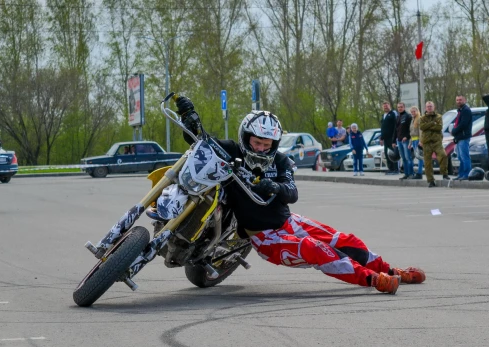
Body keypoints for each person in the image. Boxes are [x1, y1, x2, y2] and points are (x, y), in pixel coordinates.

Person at [175, 95, 425, 294]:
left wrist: (274, 187)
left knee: (346, 240)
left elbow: (292, 193)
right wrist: (189, 118)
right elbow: (201, 142)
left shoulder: (281, 161)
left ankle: (393, 270)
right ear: (245, 138)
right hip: (264, 236)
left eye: (267, 145)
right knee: (315, 248)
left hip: (289, 222)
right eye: (256, 143)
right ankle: (372, 279)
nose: (261, 149)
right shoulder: (232, 150)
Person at [420, 101, 450, 188]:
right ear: (425, 108)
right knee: (427, 162)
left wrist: (428, 126)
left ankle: (444, 173)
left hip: (437, 141)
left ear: (434, 107)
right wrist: (433, 123)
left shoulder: (439, 116)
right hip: (426, 142)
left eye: (431, 106)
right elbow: (422, 127)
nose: (429, 108)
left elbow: (439, 127)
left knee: (443, 155)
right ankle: (431, 180)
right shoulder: (422, 118)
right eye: (428, 106)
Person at [451, 95, 473, 180]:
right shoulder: (460, 111)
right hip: (460, 137)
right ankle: (461, 174)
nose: (458, 101)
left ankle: (467, 174)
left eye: (460, 100)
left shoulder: (466, 111)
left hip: (464, 137)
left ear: (465, 100)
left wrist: (454, 131)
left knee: (464, 156)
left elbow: (463, 124)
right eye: (457, 100)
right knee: (460, 157)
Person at [395, 102, 413, 179]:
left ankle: (411, 174)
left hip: (405, 140)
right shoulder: (398, 117)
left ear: (404, 107)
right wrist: (393, 141)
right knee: (403, 158)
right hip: (399, 140)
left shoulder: (408, 116)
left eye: (401, 107)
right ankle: (406, 174)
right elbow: (395, 130)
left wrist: (407, 136)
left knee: (408, 157)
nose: (400, 108)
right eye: (398, 107)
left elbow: (411, 129)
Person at [380, 101, 398, 175]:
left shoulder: (393, 114)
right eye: (384, 106)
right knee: (387, 154)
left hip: (392, 137)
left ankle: (395, 169)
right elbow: (383, 128)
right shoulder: (383, 115)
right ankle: (390, 168)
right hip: (385, 138)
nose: (385, 107)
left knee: (393, 154)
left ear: (389, 106)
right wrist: (381, 138)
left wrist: (395, 137)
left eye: (386, 106)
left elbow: (395, 126)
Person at [408, 106, 423, 179]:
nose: (413, 113)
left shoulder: (419, 119)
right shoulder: (412, 120)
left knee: (419, 157)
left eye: (414, 111)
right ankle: (415, 173)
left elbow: (421, 131)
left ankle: (419, 173)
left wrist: (421, 141)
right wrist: (410, 143)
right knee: (415, 157)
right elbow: (411, 132)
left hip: (417, 140)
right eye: (411, 112)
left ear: (417, 111)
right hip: (413, 140)